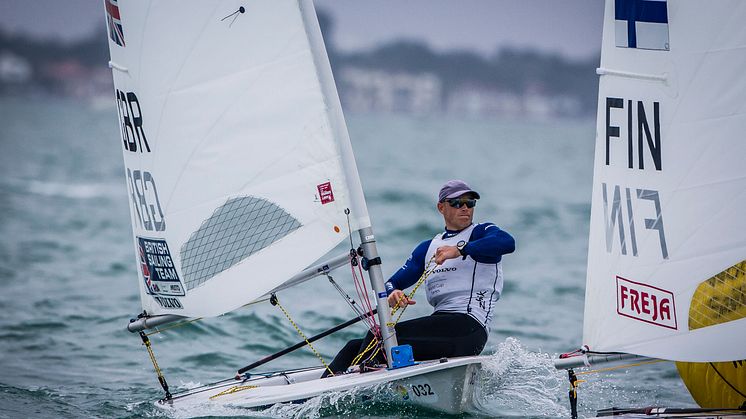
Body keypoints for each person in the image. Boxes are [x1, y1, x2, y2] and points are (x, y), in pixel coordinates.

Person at [322, 179, 515, 376]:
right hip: (441, 327)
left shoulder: (481, 234)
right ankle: (312, 397)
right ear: (441, 207)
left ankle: (357, 383)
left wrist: (460, 250)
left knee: (378, 337)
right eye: (457, 203)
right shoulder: (428, 248)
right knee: (354, 346)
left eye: (470, 203)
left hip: (469, 327)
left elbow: (507, 242)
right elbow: (391, 282)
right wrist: (393, 293)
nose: (465, 208)